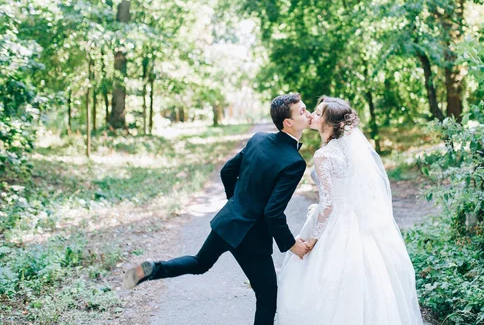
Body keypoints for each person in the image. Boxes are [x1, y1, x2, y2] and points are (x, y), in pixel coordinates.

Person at [123, 93, 312, 325]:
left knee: (199, 262)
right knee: (267, 299)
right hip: (251, 237)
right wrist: (292, 244)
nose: (309, 113)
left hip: (228, 221)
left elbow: (227, 172)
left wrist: (237, 204)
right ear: (288, 122)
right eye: (303, 111)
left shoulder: (258, 139)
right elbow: (272, 212)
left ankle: (153, 269)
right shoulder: (294, 162)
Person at [276, 96, 424, 325]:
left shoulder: (323, 155)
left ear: (330, 123)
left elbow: (328, 204)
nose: (312, 116)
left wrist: (313, 240)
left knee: (326, 284)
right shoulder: (349, 151)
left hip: (334, 224)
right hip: (357, 219)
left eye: (318, 113)